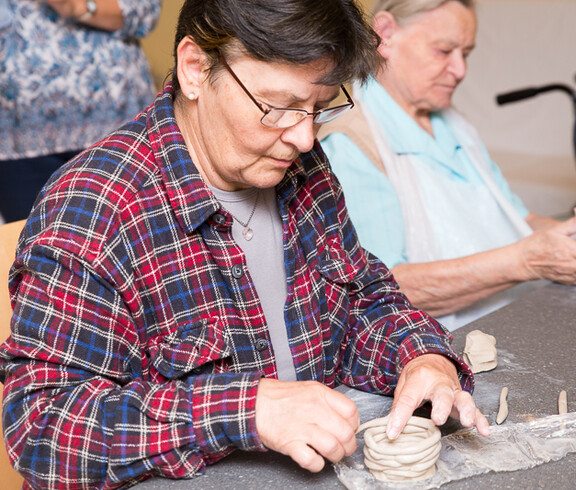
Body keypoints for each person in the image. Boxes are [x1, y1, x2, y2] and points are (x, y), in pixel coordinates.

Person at [0, 0, 490, 487]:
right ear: (195, 68)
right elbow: (44, 429)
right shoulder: (94, 207)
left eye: (319, 109)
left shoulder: (299, 164)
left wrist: (422, 357)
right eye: (279, 107)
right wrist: (248, 410)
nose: (303, 137)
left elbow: (362, 299)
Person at [319, 0, 576, 330]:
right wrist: (527, 261)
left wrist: (565, 235)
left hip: (508, 318)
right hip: (434, 343)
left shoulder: (455, 125)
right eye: (444, 51)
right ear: (385, 35)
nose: (461, 70)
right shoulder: (350, 141)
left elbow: (519, 218)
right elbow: (383, 286)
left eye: (466, 53)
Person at [0, 0, 161, 223]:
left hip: (116, 125)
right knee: (27, 248)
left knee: (135, 241)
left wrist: (78, 6)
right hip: (18, 136)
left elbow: (145, 10)